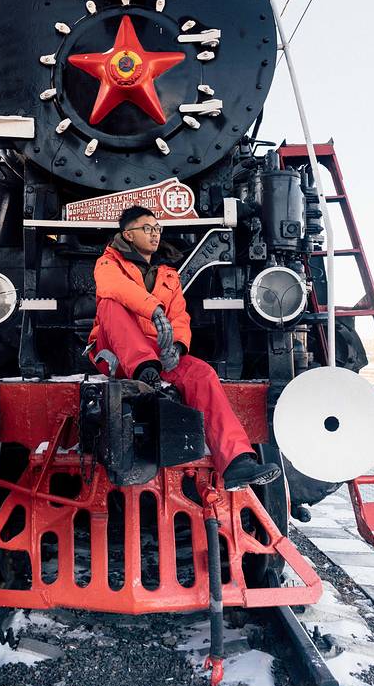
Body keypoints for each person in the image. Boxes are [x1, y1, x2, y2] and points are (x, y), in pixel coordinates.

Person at [88, 205, 281, 490]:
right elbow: (114, 287)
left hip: (156, 356)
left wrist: (177, 347)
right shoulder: (107, 263)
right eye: (147, 228)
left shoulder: (168, 275)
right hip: (117, 354)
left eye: (157, 229)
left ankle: (237, 462)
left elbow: (179, 316)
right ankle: (144, 369)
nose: (155, 234)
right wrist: (154, 310)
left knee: (202, 374)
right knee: (110, 303)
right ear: (128, 235)